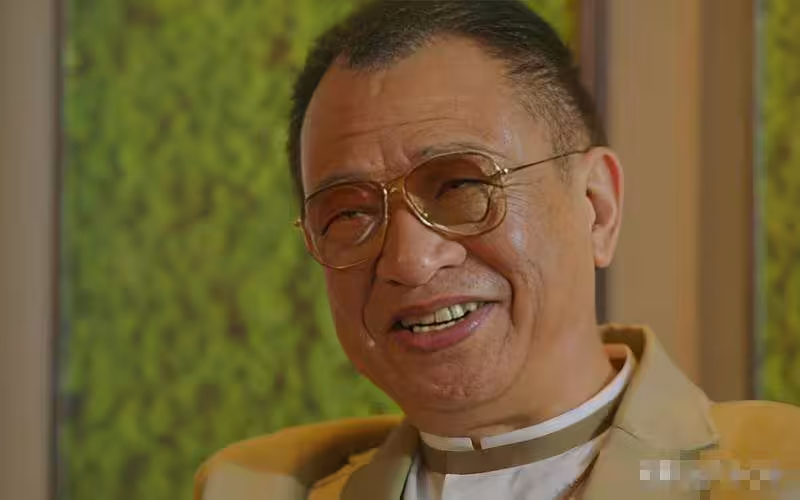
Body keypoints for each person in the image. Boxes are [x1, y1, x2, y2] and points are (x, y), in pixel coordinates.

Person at [194, 1, 800, 498]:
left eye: (461, 186)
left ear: (596, 207)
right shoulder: (258, 487)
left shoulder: (774, 473)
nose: (409, 261)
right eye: (349, 214)